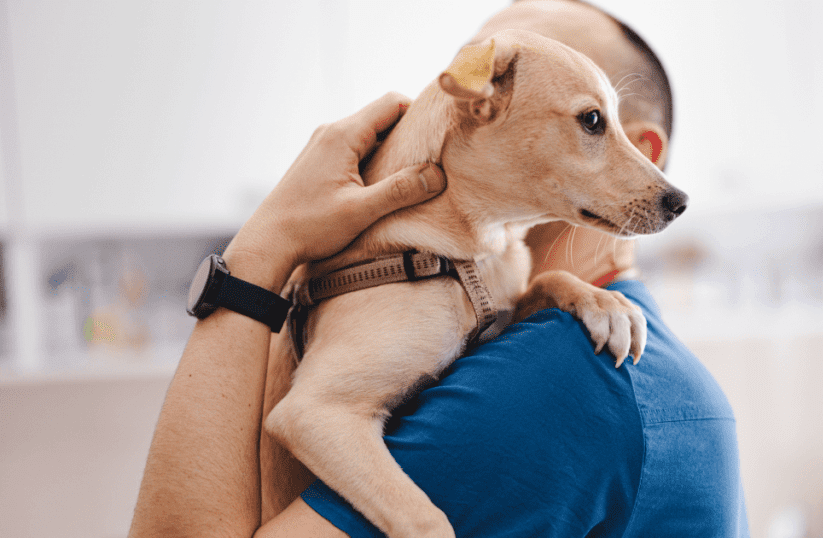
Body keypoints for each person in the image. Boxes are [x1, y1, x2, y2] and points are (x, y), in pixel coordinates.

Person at [129, 1, 750, 537]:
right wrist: (554, 291)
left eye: (597, 120)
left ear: (643, 152)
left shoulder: (559, 381)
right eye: (590, 120)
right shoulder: (584, 332)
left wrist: (265, 243)